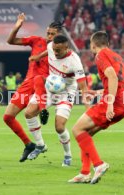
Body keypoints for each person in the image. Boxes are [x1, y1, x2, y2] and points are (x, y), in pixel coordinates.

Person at [68, 31, 124, 184]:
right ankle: (84, 172)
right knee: (86, 134)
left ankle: (99, 164)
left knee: (77, 129)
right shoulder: (117, 57)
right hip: (123, 103)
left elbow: (113, 77)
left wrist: (109, 104)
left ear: (92, 44)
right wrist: (97, 92)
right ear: (107, 43)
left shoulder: (100, 55)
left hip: (114, 103)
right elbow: (119, 82)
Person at [3, 13, 62, 162]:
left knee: (30, 113)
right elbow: (10, 41)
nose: (49, 36)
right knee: (8, 117)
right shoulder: (36, 40)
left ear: (58, 35)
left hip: (44, 86)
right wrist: (17, 27)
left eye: (52, 34)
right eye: (48, 33)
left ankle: (42, 143)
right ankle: (29, 144)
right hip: (27, 84)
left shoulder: (61, 50)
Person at [26, 34, 88, 166]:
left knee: (59, 127)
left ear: (66, 48)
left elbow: (83, 85)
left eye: (58, 50)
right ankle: (40, 145)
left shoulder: (74, 61)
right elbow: (47, 51)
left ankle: (67, 155)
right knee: (29, 113)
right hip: (50, 88)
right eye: (54, 49)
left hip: (66, 92)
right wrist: (37, 57)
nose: (54, 52)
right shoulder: (51, 47)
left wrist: (87, 108)